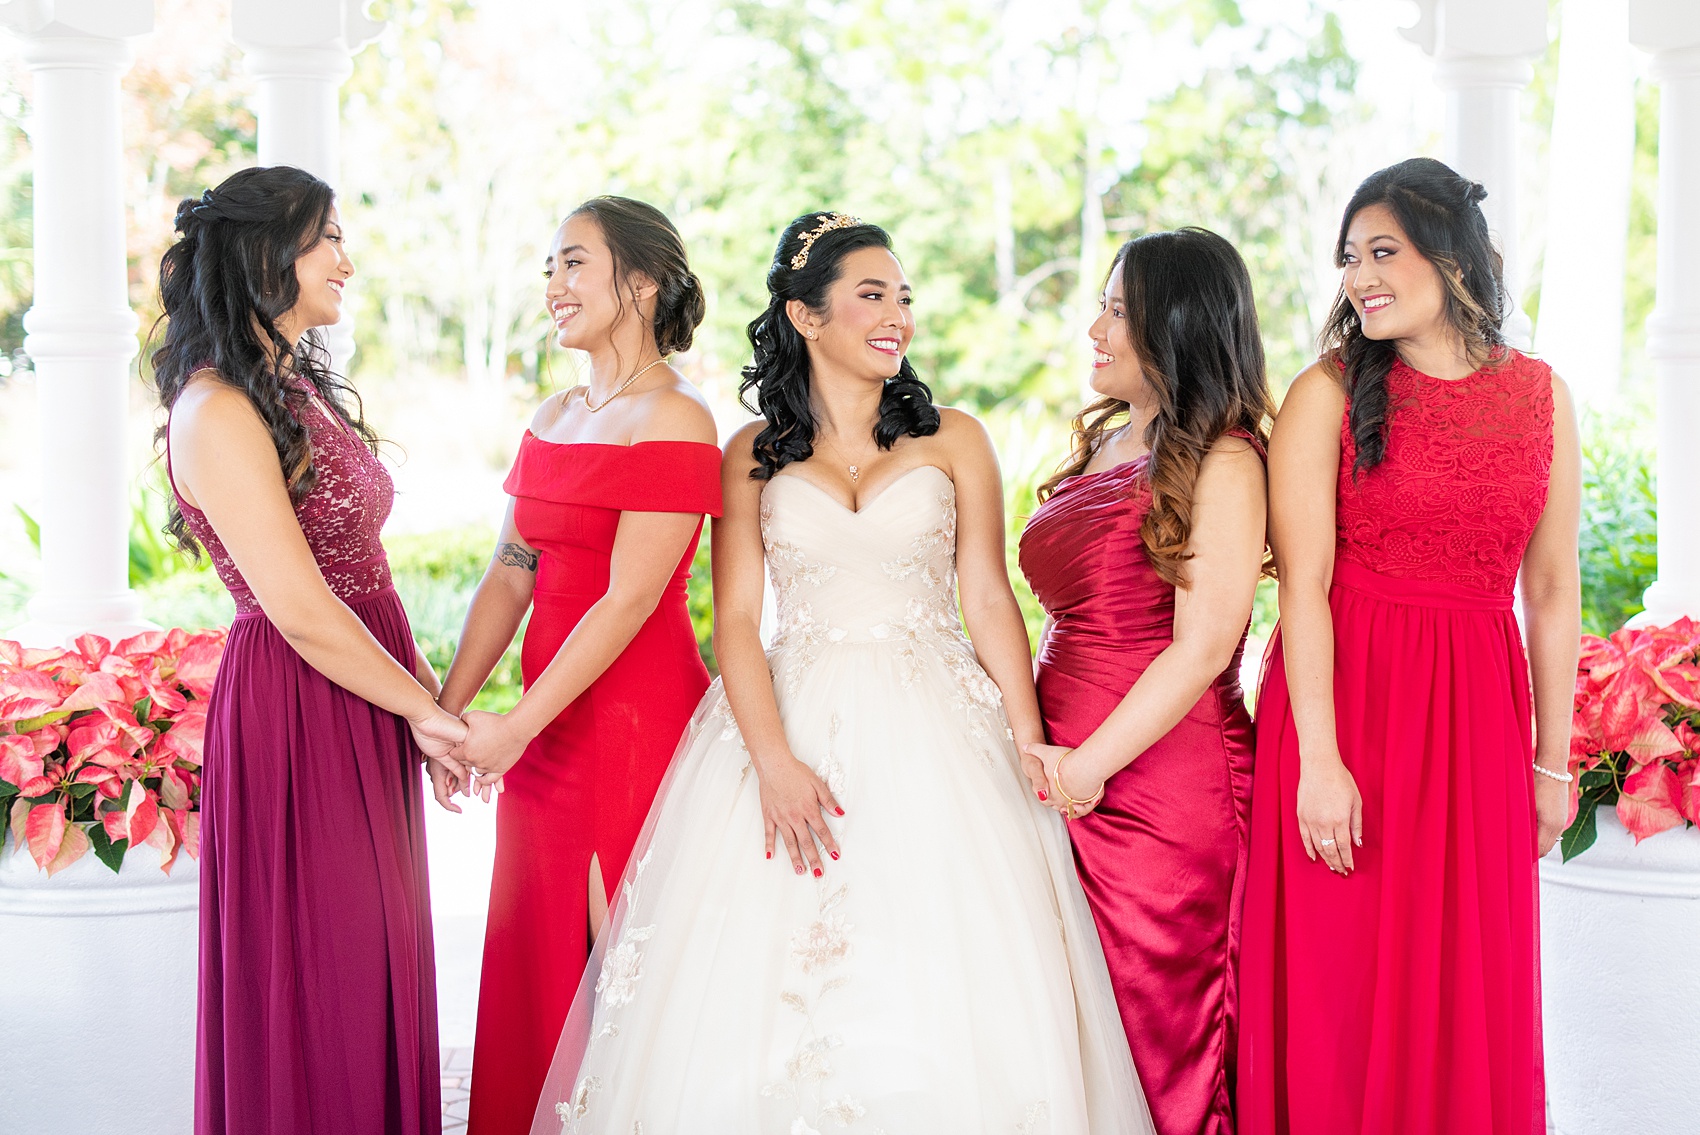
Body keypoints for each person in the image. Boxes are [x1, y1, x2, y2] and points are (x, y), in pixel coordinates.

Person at [528, 213, 1152, 1134]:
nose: (898, 314)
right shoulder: (748, 453)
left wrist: (1028, 737)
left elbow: (987, 597)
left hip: (945, 726)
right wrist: (774, 760)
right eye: (873, 295)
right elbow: (736, 621)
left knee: (945, 978)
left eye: (904, 296)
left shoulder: (955, 439)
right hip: (794, 711)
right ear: (805, 316)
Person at [1237, 157, 1581, 1135]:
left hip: (1474, 722)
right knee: (1339, 990)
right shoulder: (1325, 393)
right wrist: (1318, 761)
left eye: (1379, 251)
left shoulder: (1542, 400)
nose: (1356, 276)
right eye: (1347, 256)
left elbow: (1551, 590)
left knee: (1461, 983)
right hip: (1346, 711)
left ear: (1454, 260)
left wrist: (1550, 766)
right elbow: (1298, 585)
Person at [152, 165, 464, 1135]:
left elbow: (361, 574)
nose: (347, 259)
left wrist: (421, 705)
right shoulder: (215, 409)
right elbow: (297, 605)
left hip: (361, 690)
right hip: (298, 707)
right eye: (326, 237)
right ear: (262, 253)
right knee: (322, 974)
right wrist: (423, 708)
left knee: (375, 959)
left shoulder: (290, 386)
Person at [431, 197, 722, 1135]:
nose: (552, 286)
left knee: (619, 957)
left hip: (632, 716)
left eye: (572, 264)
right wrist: (448, 713)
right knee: (532, 949)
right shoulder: (553, 413)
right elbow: (511, 575)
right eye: (549, 266)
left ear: (639, 281)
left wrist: (513, 728)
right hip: (542, 727)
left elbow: (628, 600)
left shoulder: (677, 417)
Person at [1019, 228, 1271, 1135]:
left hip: (1163, 784)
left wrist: (1090, 766)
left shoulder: (1229, 458)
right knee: (1072, 1034)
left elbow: (1203, 647)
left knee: (1159, 1034)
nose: (1095, 327)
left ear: (1175, 326)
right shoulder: (1110, 442)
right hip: (1063, 770)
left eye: (1119, 310)